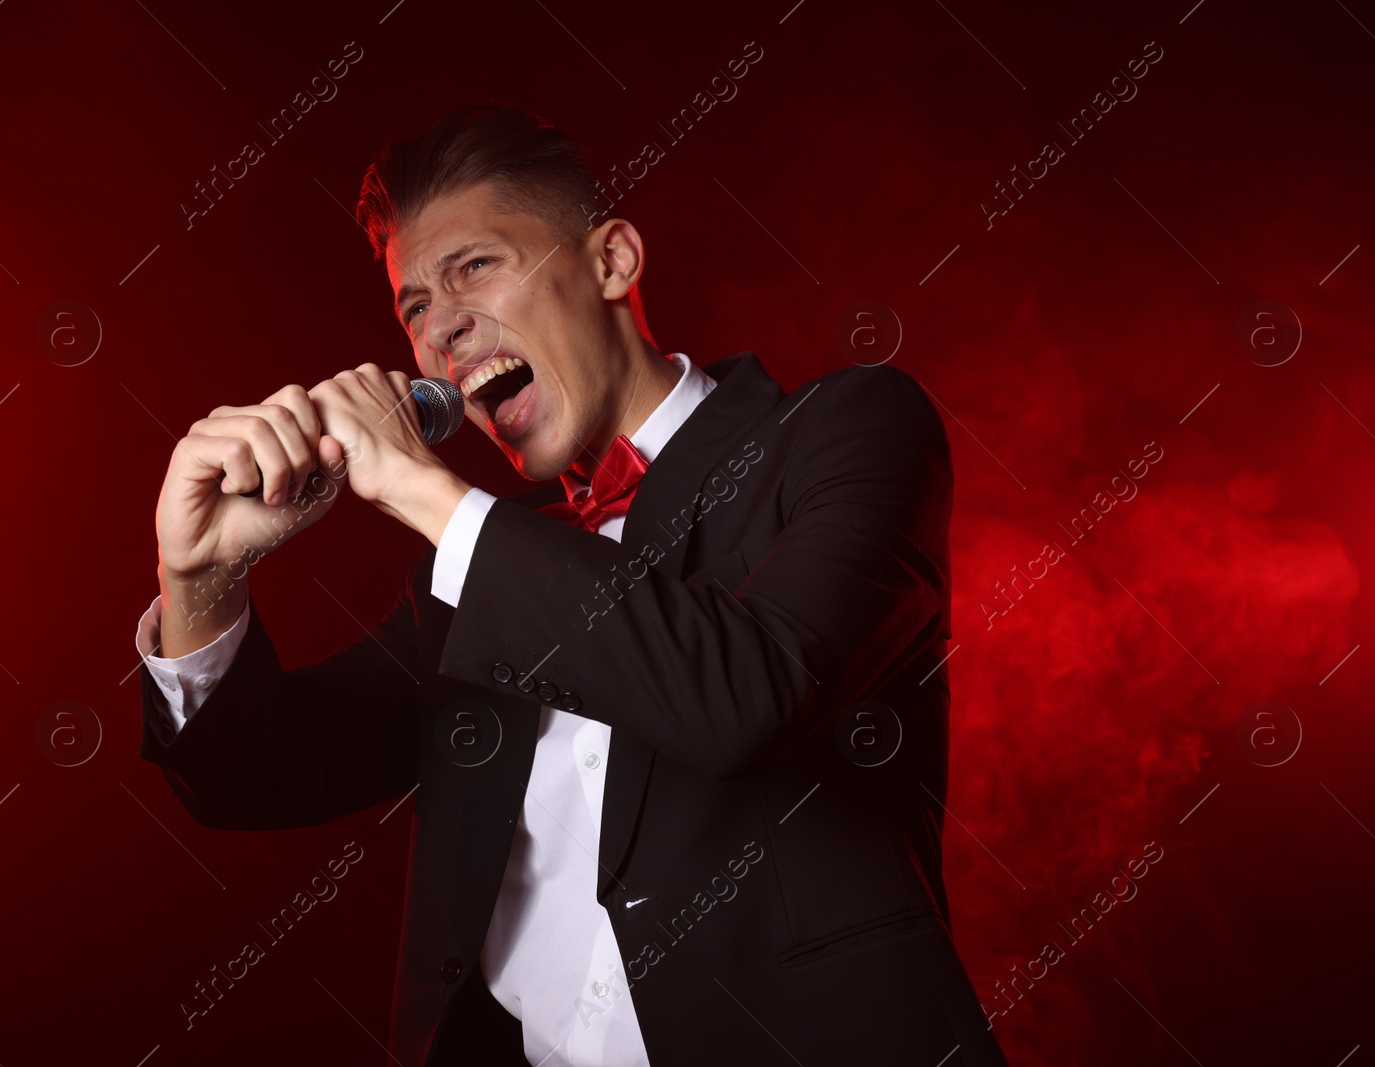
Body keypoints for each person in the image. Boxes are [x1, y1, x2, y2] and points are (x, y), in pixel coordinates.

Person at [134, 104, 1008, 1066]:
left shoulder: (847, 428)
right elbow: (263, 770)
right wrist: (201, 578)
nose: (443, 329)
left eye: (474, 267)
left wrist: (427, 490)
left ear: (612, 262)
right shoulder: (467, 577)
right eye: (414, 305)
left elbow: (750, 692)